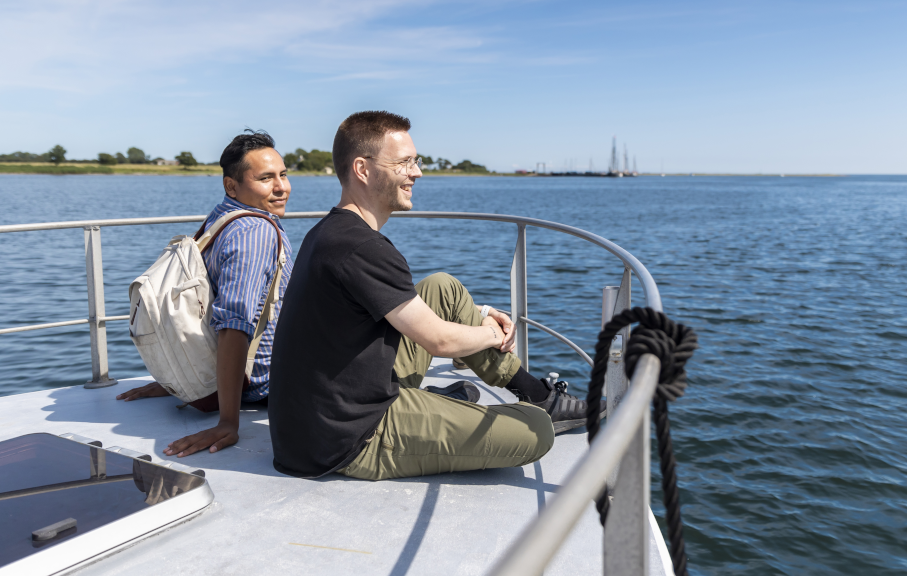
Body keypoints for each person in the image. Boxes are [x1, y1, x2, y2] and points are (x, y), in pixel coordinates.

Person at [269, 111, 602, 480]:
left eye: (416, 161)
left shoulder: (332, 231)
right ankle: (528, 408)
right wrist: (494, 332)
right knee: (534, 430)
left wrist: (482, 312)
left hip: (315, 420)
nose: (417, 173)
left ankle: (536, 394)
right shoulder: (362, 247)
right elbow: (438, 340)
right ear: (362, 169)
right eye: (404, 163)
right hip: (348, 437)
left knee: (441, 287)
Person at [117, 130, 294, 458]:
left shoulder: (222, 217)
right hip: (267, 381)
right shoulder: (254, 232)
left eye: (283, 174)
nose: (282, 187)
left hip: (235, 376)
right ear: (232, 185)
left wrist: (180, 382)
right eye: (266, 178)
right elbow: (233, 325)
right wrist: (228, 421)